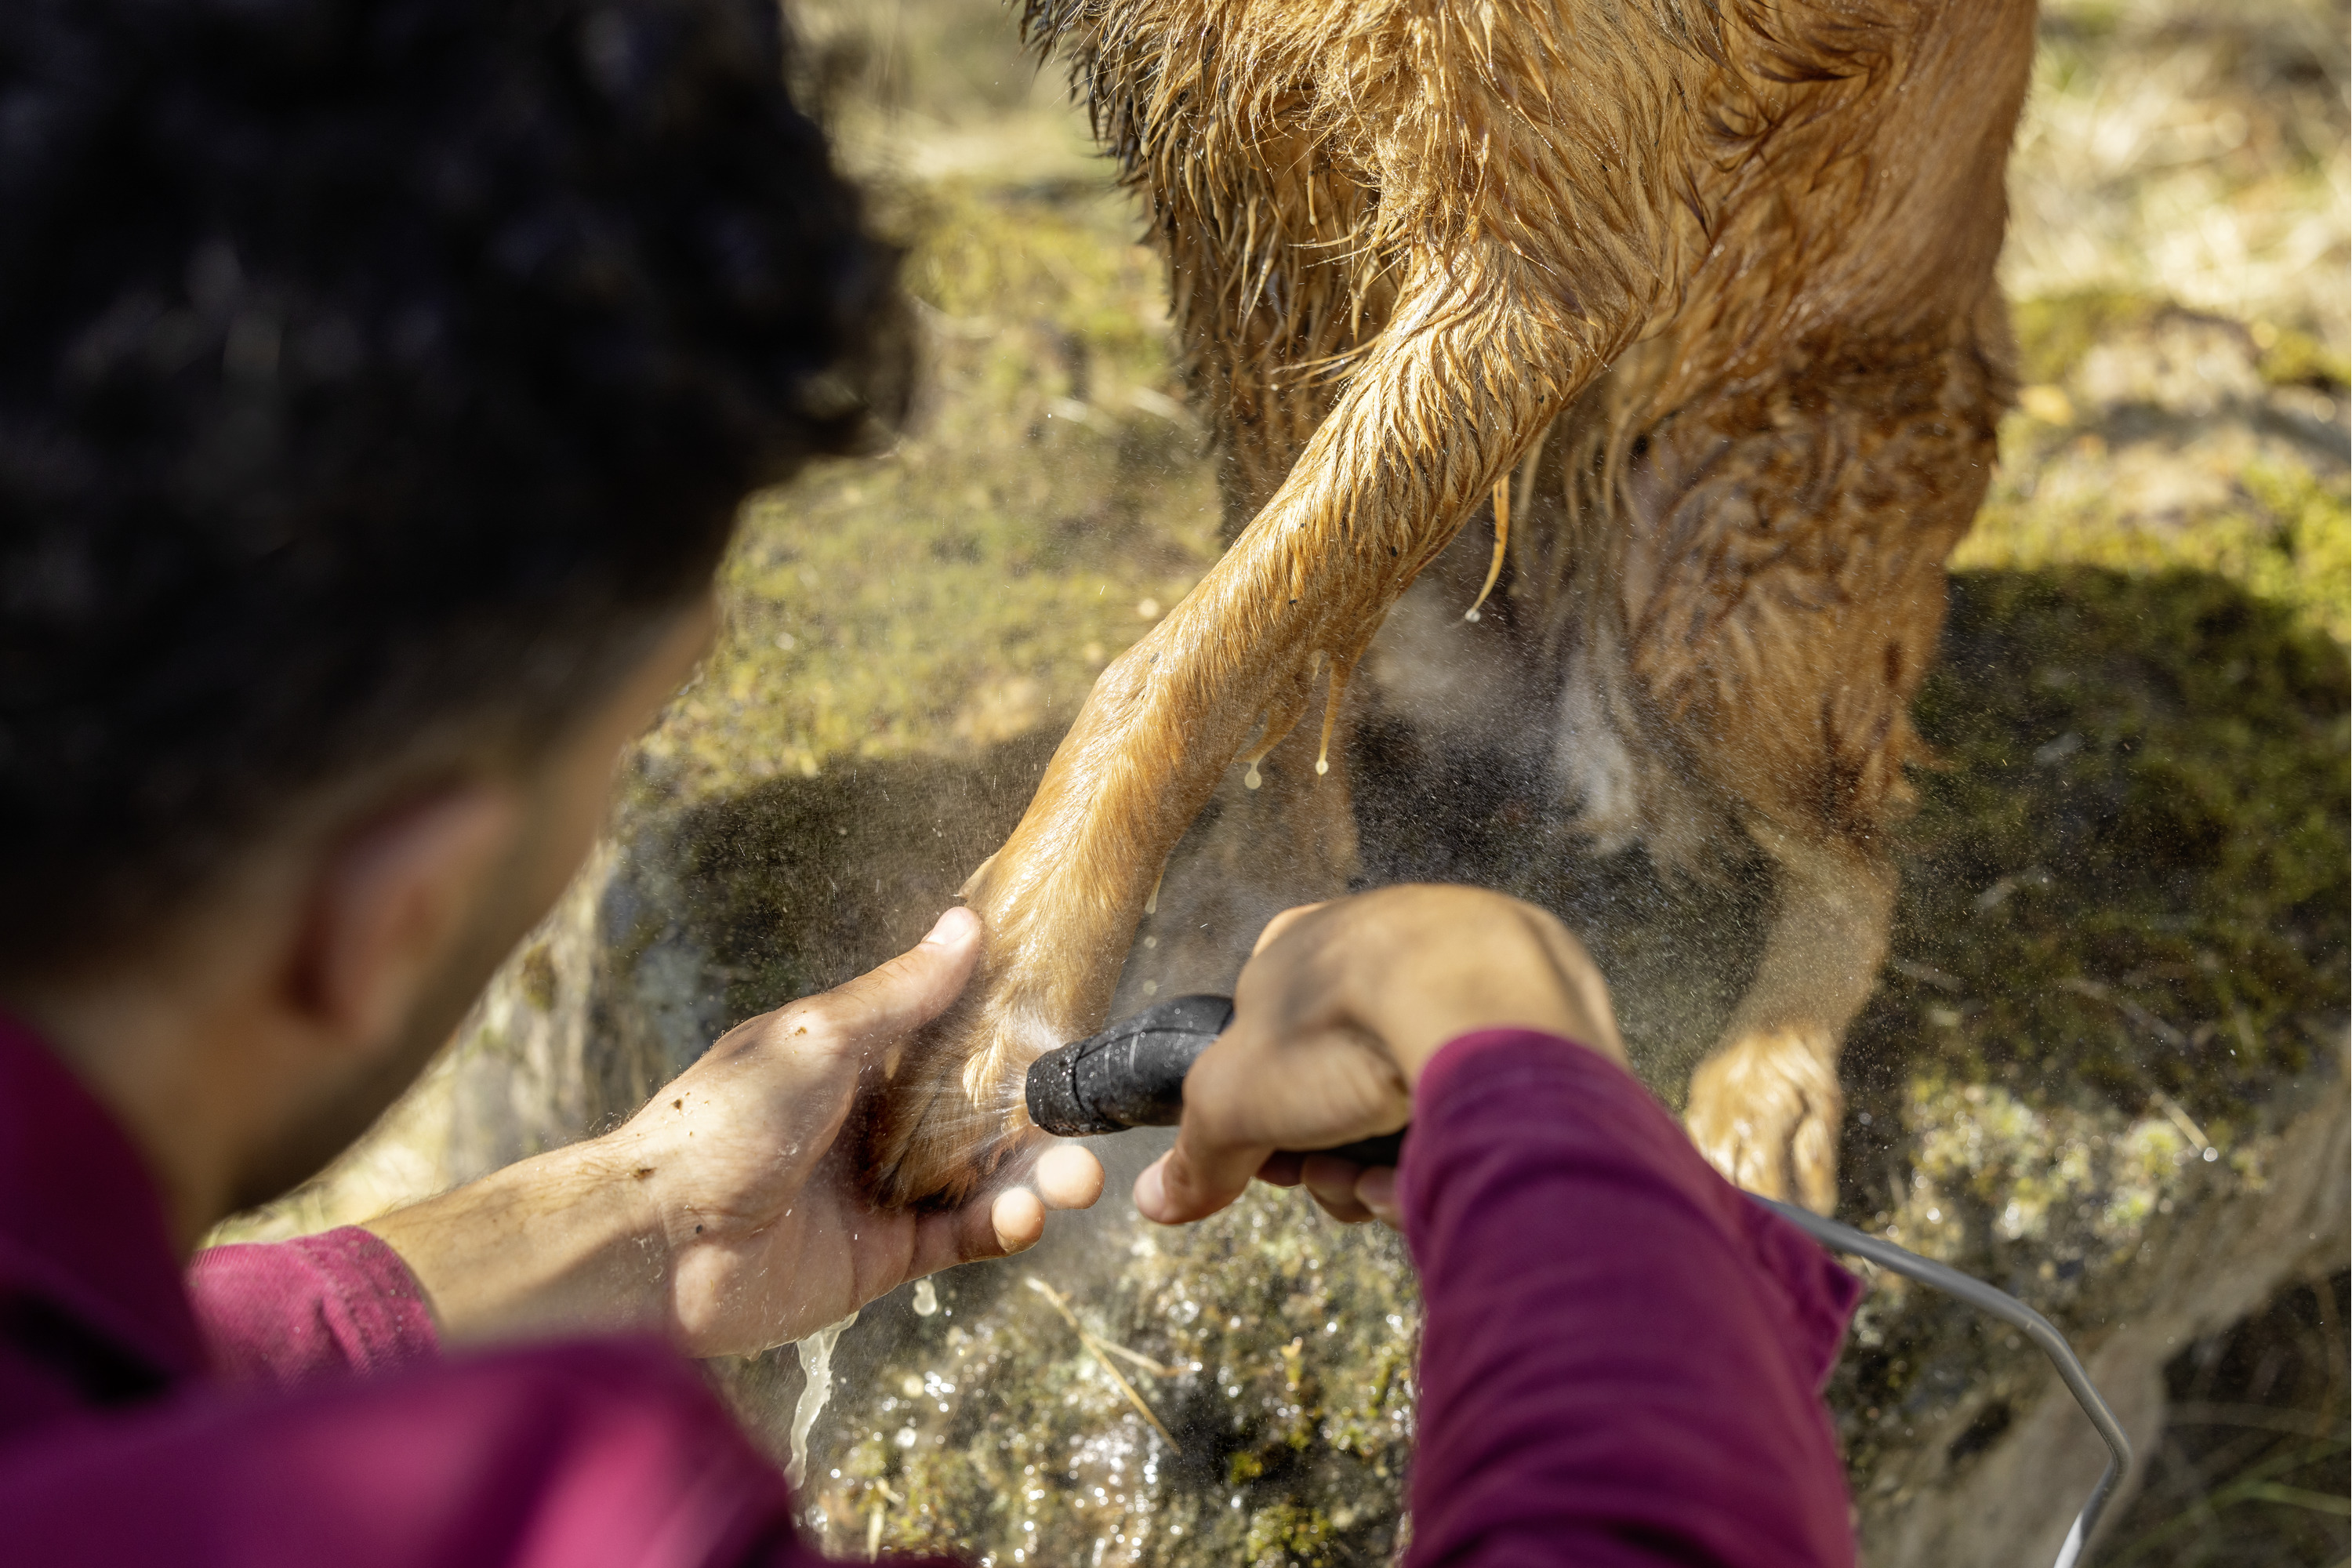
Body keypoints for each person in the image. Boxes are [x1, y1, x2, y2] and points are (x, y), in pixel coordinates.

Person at [0, 0, 1860, 1563]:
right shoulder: (553, 1512)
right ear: (389, 910)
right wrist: (1515, 1048)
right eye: (639, 717)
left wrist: (641, 1216)